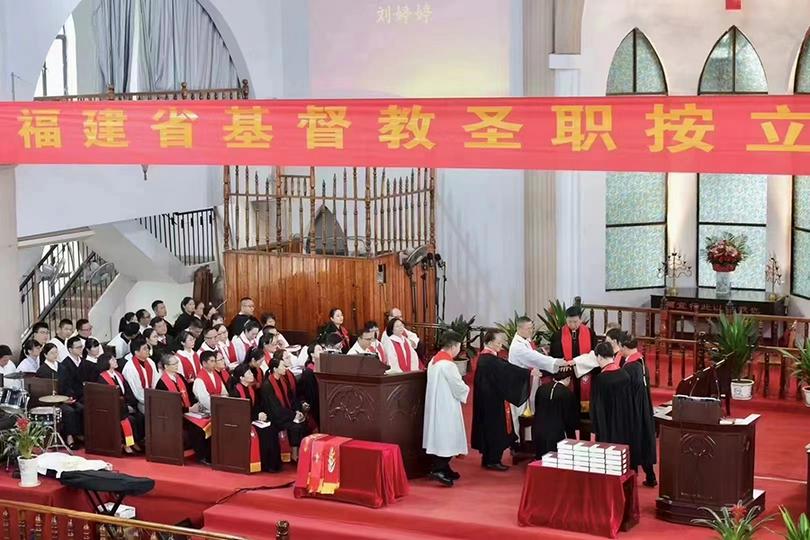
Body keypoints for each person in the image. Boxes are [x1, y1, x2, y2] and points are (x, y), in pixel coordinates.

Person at [471, 329, 531, 470]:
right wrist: (527, 373)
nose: (501, 345)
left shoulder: (486, 358)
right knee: (494, 428)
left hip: (488, 400)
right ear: (490, 342)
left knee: (489, 428)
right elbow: (507, 369)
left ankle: (488, 458)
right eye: (499, 342)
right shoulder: (489, 360)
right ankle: (492, 460)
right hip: (492, 402)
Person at [423, 331, 468, 487]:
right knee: (448, 437)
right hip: (446, 406)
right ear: (454, 346)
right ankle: (438, 468)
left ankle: (444, 467)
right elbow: (458, 386)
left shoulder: (434, 361)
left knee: (441, 436)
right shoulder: (448, 365)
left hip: (436, 404)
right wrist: (466, 389)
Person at [155, 354, 210, 464]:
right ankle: (201, 456)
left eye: (177, 363)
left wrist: (195, 405)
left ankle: (210, 454)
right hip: (175, 415)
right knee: (197, 428)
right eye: (174, 364)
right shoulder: (161, 383)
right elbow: (168, 406)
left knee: (209, 421)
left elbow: (189, 394)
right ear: (166, 366)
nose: (177, 366)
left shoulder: (179, 376)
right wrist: (189, 409)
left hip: (189, 411)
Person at [620, 333, 657, 487]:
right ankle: (650, 476)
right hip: (643, 408)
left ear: (624, 347)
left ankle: (631, 478)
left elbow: (626, 392)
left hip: (633, 409)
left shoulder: (629, 367)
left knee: (634, 440)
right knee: (644, 440)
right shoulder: (640, 361)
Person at [230, 363, 281, 472]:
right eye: (248, 373)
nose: (251, 374)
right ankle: (266, 465)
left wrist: (261, 413)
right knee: (265, 432)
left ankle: (274, 464)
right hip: (243, 421)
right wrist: (256, 416)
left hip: (254, 419)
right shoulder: (235, 392)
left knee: (272, 428)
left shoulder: (251, 388)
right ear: (241, 378)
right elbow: (238, 412)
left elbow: (257, 405)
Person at [260, 351, 310, 462]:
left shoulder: (282, 380)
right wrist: (293, 415)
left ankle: (299, 452)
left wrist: (297, 410)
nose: (285, 368)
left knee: (303, 421)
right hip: (274, 416)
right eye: (283, 366)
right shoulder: (267, 386)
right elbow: (275, 408)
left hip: (285, 412)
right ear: (275, 369)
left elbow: (291, 398)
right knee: (295, 426)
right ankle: (294, 455)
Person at [589, 341, 635, 452]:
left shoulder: (601, 379)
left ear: (599, 357)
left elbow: (596, 406)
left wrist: (595, 426)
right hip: (624, 422)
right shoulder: (625, 374)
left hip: (607, 425)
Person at [36, 343, 82, 448]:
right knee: (68, 411)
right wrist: (62, 400)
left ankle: (79, 435)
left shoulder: (62, 367)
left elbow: (68, 384)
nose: (55, 355)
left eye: (56, 352)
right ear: (45, 354)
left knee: (80, 408)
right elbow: (44, 392)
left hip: (65, 398)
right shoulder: (42, 370)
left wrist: (69, 396)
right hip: (53, 401)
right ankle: (69, 438)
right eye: (52, 353)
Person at [96, 353, 144, 454]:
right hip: (113, 409)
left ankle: (134, 441)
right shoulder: (102, 378)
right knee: (129, 420)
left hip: (124, 406)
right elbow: (106, 398)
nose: (115, 361)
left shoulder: (118, 375)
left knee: (140, 417)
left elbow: (127, 391)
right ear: (106, 363)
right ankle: (128, 443)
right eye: (113, 360)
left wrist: (130, 404)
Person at [533, 370, 579, 459]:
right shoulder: (567, 393)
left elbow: (537, 407)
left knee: (541, 458)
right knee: (555, 460)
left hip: (539, 429)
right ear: (568, 378)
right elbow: (570, 417)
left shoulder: (541, 389)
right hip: (557, 431)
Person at [121, 336, 160, 413]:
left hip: (153, 396)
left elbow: (156, 381)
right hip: (139, 401)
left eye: (148, 348)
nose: (148, 350)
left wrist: (157, 397)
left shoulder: (150, 362)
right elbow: (137, 392)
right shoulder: (130, 368)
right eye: (145, 349)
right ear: (136, 352)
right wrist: (152, 401)